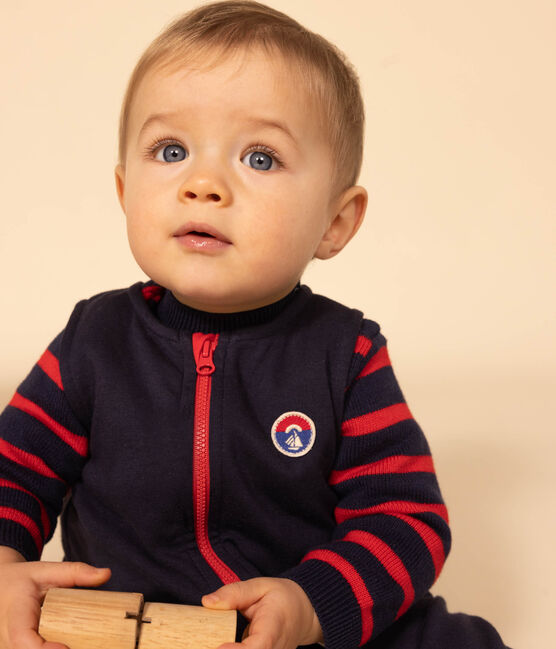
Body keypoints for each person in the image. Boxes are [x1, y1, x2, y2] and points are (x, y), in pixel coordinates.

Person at [0, 2, 509, 649]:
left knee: (457, 638)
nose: (204, 183)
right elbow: (12, 467)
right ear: (126, 191)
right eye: (172, 149)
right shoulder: (93, 342)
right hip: (122, 627)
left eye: (260, 158)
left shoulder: (345, 355)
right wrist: (5, 566)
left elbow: (406, 520)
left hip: (286, 631)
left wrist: (312, 601)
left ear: (335, 221)